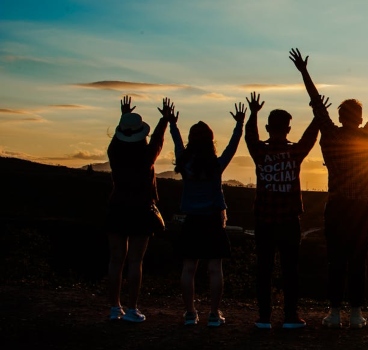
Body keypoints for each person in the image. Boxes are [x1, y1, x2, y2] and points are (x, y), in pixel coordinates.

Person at [290, 48, 368, 329]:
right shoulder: (367, 134)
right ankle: (356, 313)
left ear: (340, 115)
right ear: (358, 117)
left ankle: (334, 313)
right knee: (358, 261)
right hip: (360, 207)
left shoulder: (330, 135)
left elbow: (315, 103)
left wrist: (304, 72)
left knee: (336, 260)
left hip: (336, 206)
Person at [244, 90, 321, 330]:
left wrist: (253, 114)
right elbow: (310, 138)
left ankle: (264, 317)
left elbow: (249, 136)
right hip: (289, 221)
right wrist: (317, 115)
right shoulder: (294, 152)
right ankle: (290, 316)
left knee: (264, 269)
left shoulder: (260, 152)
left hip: (264, 220)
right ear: (288, 129)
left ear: (268, 127)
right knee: (290, 270)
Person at [170, 100, 246, 327]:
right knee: (215, 269)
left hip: (192, 220)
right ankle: (214, 314)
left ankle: (190, 313)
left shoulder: (185, 163)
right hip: (213, 220)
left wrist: (172, 124)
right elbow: (232, 147)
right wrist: (239, 124)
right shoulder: (215, 165)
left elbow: (176, 143)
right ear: (211, 141)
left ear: (192, 140)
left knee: (189, 268)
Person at [105, 96, 172, 322]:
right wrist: (165, 119)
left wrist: (124, 116)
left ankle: (115, 307)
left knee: (116, 260)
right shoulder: (146, 156)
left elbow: (121, 137)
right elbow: (158, 141)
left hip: (117, 207)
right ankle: (132, 308)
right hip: (141, 209)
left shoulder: (114, 151)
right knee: (135, 261)